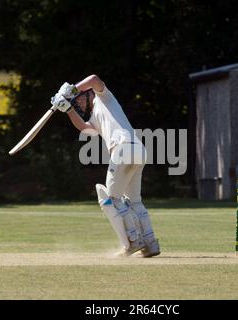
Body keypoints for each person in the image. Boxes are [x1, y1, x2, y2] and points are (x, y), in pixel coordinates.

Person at [51, 75, 160, 257]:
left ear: (86, 94)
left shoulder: (104, 97)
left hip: (123, 149)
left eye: (79, 101)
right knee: (134, 201)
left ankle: (133, 241)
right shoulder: (94, 117)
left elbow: (94, 78)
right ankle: (151, 244)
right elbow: (86, 129)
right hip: (138, 150)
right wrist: (68, 109)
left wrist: (72, 90)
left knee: (111, 199)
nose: (80, 105)